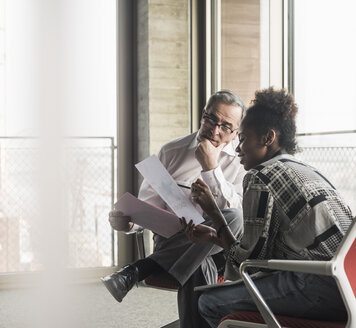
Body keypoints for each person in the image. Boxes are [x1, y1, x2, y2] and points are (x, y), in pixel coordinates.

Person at [181, 87, 353, 327]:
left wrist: (213, 213)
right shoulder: (309, 171)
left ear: (268, 138)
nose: (238, 148)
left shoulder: (261, 177)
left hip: (319, 288)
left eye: (243, 139)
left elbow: (247, 265)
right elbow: (264, 252)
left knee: (206, 301)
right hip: (348, 287)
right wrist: (213, 235)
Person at [102, 90, 247, 327]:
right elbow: (147, 206)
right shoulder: (172, 151)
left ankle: (141, 268)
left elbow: (238, 214)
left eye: (225, 126)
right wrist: (131, 222)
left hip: (221, 249)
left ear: (235, 134)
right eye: (211, 119)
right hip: (172, 241)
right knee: (198, 259)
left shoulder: (241, 161)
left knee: (235, 218)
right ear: (203, 115)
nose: (215, 129)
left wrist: (210, 167)